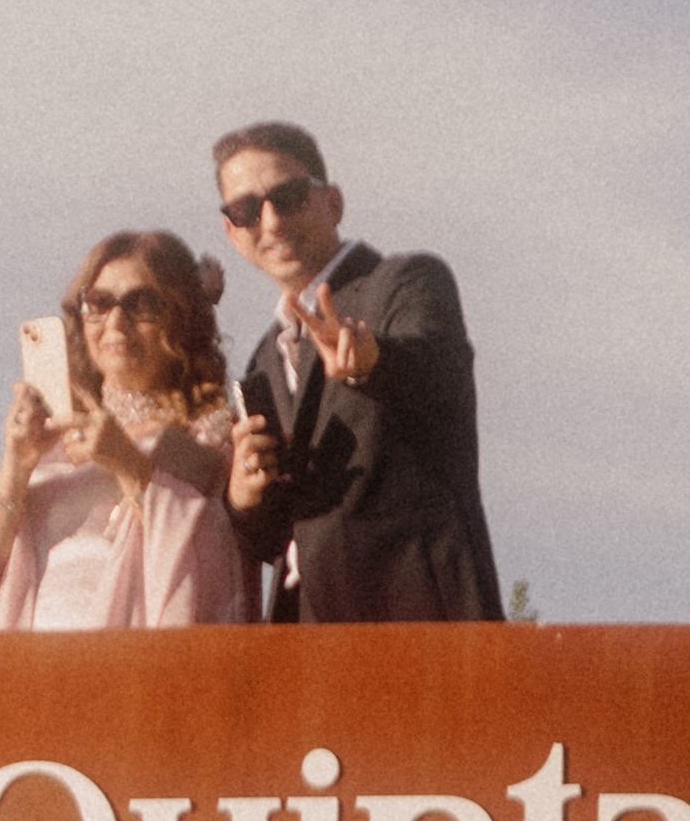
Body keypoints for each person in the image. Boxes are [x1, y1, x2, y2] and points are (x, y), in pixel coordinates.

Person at [207, 121, 508, 624]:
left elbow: (438, 370)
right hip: (304, 638)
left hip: (417, 618)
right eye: (247, 209)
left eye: (290, 196)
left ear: (333, 203)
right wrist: (243, 496)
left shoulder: (405, 281)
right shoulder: (264, 355)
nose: (272, 221)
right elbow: (271, 535)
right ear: (232, 230)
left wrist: (372, 361)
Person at [0, 230, 249, 630]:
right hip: (35, 671)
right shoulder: (58, 438)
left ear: (181, 318)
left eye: (141, 304)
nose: (116, 321)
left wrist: (128, 464)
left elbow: (213, 564)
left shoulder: (212, 436)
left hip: (134, 670)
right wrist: (18, 463)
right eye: (98, 303)